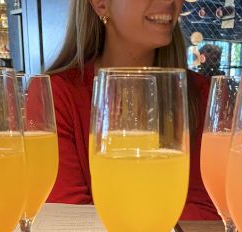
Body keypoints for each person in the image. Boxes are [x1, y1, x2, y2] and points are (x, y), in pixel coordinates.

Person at [46, 0, 219, 220]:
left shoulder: (200, 94)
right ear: (101, 4)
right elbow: (69, 217)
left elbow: (208, 210)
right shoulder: (57, 94)